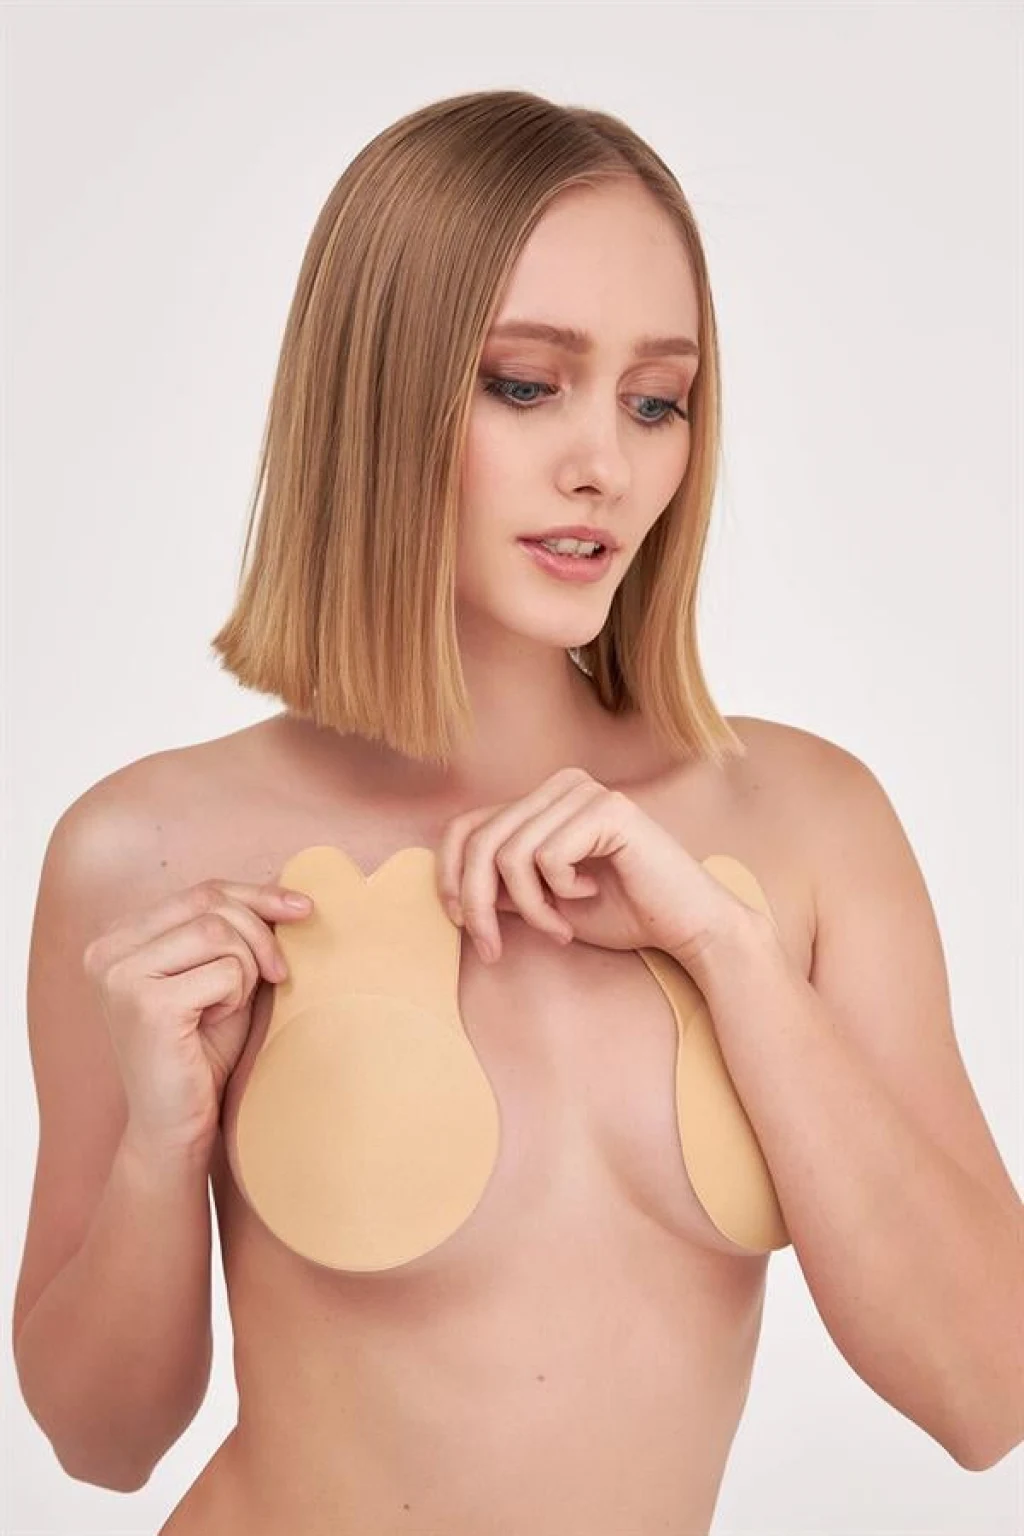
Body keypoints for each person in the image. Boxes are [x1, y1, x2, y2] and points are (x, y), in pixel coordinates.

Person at [12, 88, 1022, 1535]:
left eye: (656, 400)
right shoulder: (148, 849)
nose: (606, 463)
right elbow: (100, 1444)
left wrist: (727, 955)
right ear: (378, 394)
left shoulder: (807, 826)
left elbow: (989, 1393)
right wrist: (155, 1150)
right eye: (526, 384)